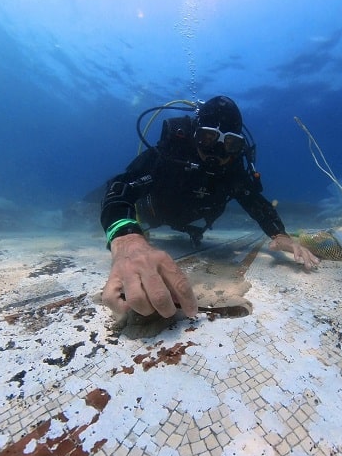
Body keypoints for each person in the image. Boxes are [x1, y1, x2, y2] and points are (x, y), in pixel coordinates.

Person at [100, 95, 320, 319]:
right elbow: (120, 186)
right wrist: (126, 238)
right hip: (155, 212)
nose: (218, 151)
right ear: (195, 134)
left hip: (194, 222)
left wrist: (279, 234)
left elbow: (255, 202)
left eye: (231, 144)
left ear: (238, 146)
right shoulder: (169, 155)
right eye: (208, 137)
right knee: (111, 200)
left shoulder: (232, 171)